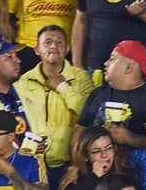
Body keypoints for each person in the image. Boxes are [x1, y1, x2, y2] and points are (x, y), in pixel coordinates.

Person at [19, 24, 93, 182]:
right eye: (48, 42)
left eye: (59, 42)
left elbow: (88, 113)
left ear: (67, 49)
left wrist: (62, 87)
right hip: (31, 162)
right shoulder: (23, 82)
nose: (53, 46)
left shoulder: (81, 78)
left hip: (70, 165)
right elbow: (17, 120)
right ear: (37, 49)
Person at [76, 40, 146, 151]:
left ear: (129, 67)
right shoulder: (97, 93)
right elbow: (79, 130)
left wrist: (130, 138)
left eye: (112, 59)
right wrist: (78, 159)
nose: (105, 63)